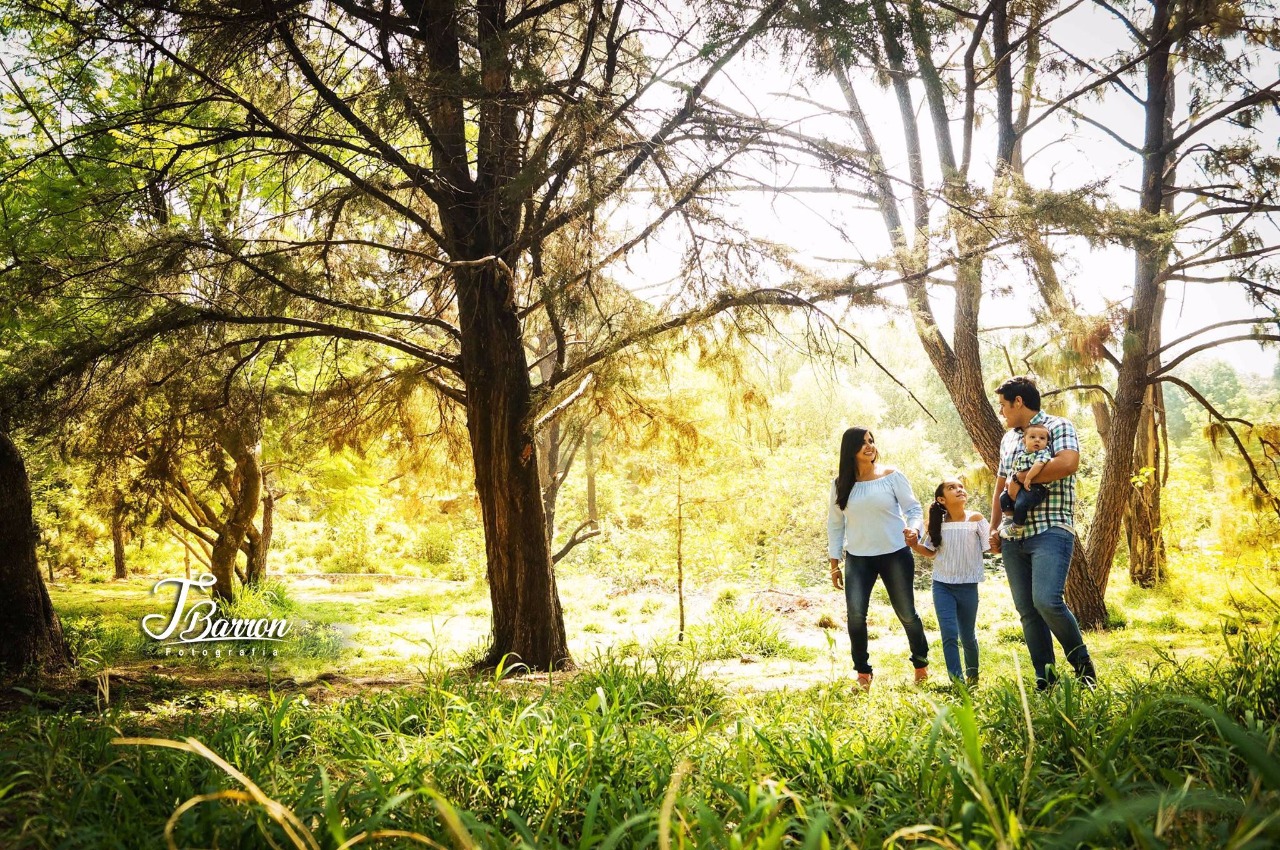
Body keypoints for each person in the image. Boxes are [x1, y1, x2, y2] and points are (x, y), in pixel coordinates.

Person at [989, 376, 1098, 690]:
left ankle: (1083, 668)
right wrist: (995, 527)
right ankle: (1046, 680)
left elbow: (1068, 463)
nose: (1001, 412)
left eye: (1003, 405)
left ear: (1018, 402)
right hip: (1013, 535)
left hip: (1050, 528)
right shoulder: (1008, 439)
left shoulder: (1058, 426)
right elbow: (1000, 485)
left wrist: (1022, 476)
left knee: (1047, 601)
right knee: (1027, 610)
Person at [827, 426, 929, 690]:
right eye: (863, 443)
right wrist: (834, 563)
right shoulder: (840, 484)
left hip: (895, 553)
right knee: (856, 616)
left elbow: (913, 508)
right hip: (859, 559)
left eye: (871, 441)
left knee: (906, 614)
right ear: (850, 449)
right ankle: (863, 673)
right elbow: (835, 525)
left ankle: (920, 664)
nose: (869, 446)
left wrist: (915, 529)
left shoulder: (892, 476)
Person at [907, 479, 987, 685]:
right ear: (941, 499)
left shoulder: (976, 519)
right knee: (949, 634)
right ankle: (956, 680)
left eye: (960, 486)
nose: (959, 489)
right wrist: (915, 545)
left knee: (967, 635)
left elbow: (992, 547)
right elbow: (931, 552)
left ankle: (973, 675)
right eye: (952, 488)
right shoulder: (937, 525)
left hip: (969, 586)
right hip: (942, 585)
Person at [999, 423, 1052, 533]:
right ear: (1024, 441)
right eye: (1032, 437)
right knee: (1003, 497)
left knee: (1021, 502)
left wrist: (1027, 478)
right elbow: (1016, 469)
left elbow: (1039, 464)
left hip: (1036, 487)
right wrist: (1011, 480)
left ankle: (1018, 526)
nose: (1037, 440)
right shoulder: (1022, 455)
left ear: (1047, 442)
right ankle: (1009, 519)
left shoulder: (1042, 453)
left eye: (1042, 438)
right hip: (1021, 486)